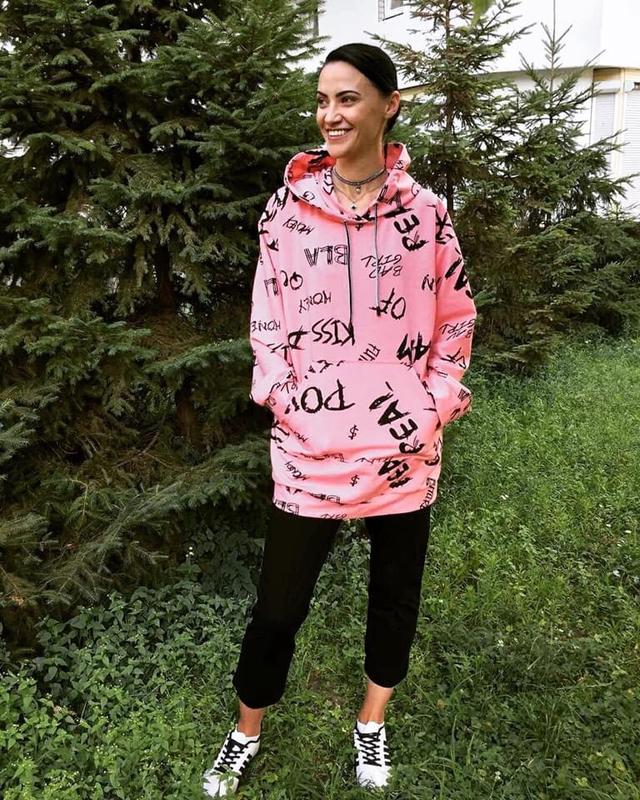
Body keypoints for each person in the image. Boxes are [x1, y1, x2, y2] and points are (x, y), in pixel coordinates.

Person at [202, 42, 477, 797]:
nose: (331, 114)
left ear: (390, 105)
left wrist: (434, 406)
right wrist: (285, 401)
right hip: (310, 450)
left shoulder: (427, 215)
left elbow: (455, 318)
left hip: (404, 450)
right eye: (323, 100)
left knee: (394, 599)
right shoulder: (286, 211)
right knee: (277, 608)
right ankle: (245, 731)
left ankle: (371, 722)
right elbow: (266, 319)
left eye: (348, 98)